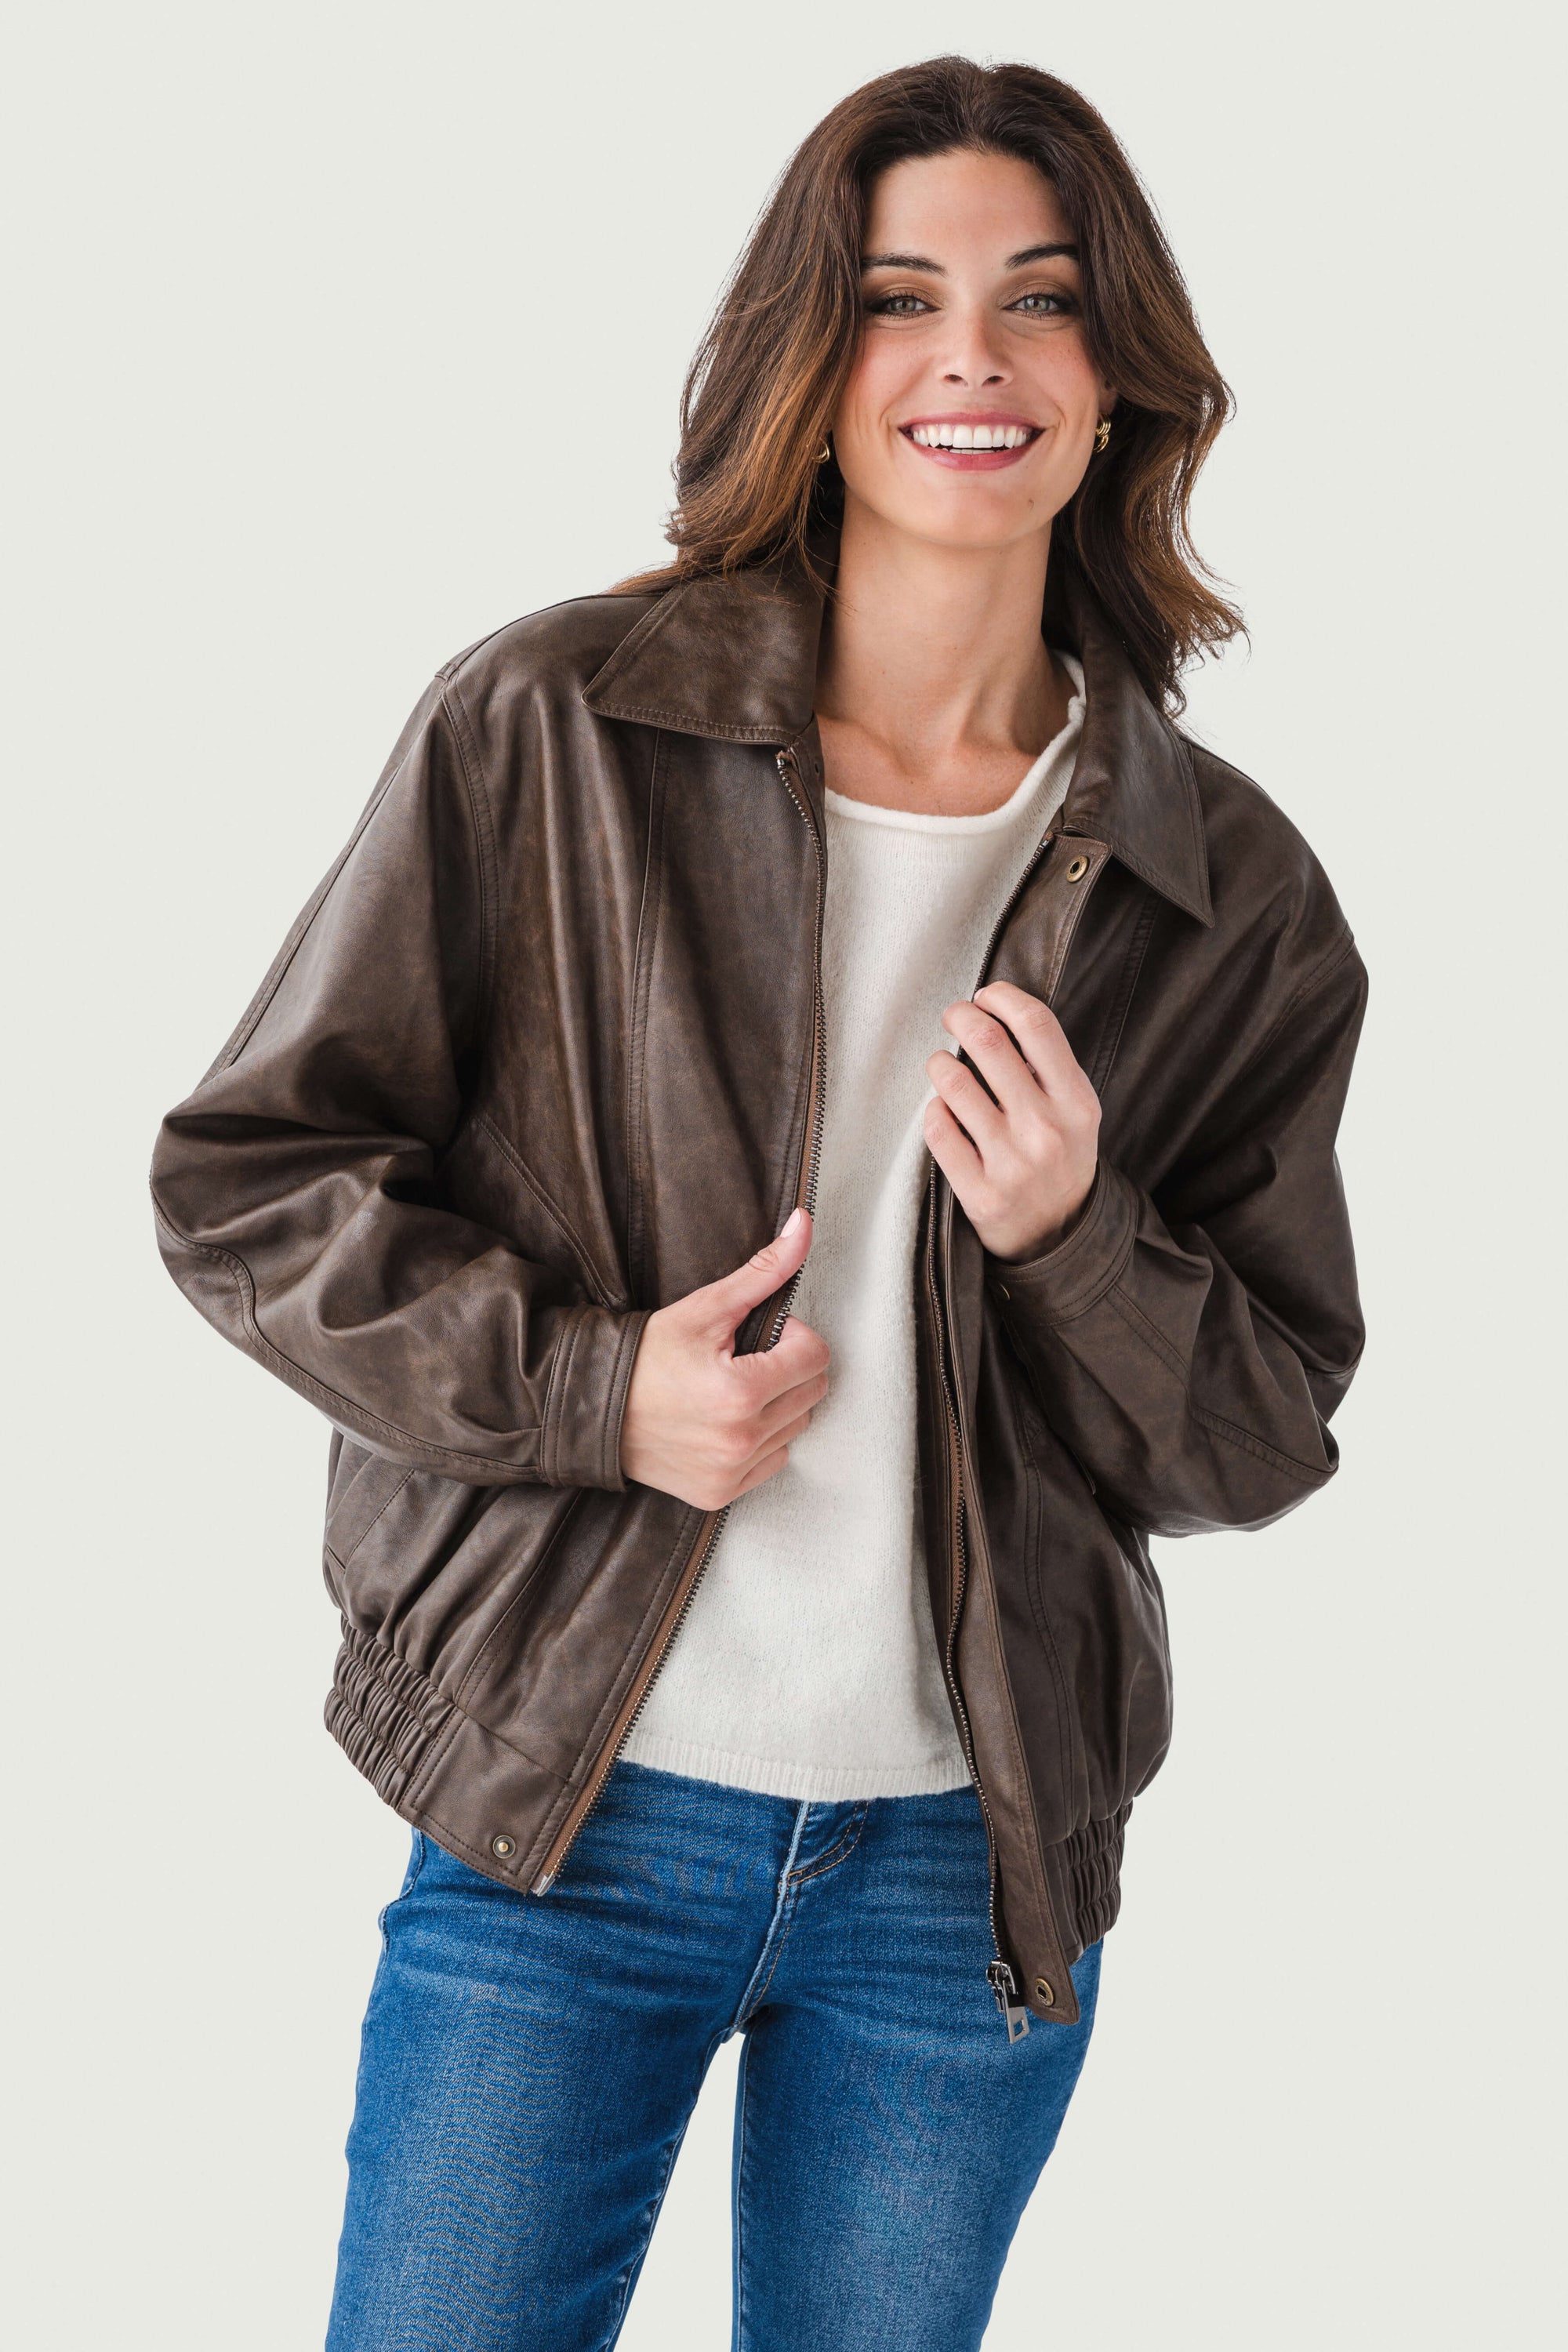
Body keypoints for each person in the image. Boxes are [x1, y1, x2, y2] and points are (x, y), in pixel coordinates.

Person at [151, 53, 1366, 2352]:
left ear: (1120, 374)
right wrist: (598, 1396)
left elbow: (1263, 1435)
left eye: (1040, 299)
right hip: (573, 1817)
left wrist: (1080, 1244)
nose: (973, 359)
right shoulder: (554, 729)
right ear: (817, 361)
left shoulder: (1234, 897)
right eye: (904, 299)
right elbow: (253, 1182)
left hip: (965, 1873)